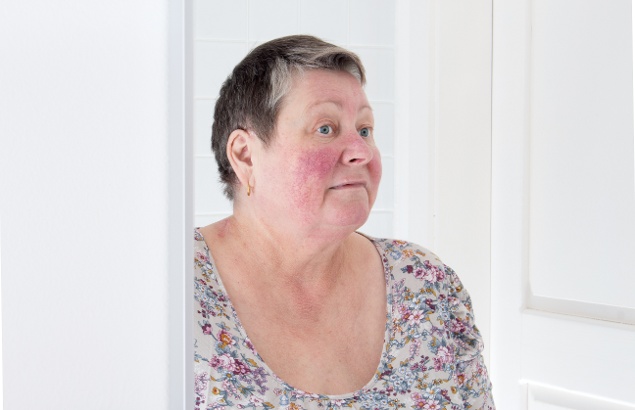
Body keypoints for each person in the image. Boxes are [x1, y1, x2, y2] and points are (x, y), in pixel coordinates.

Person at [194, 35, 495, 409]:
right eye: (326, 128)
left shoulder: (427, 285)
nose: (361, 151)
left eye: (365, 130)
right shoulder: (175, 291)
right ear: (246, 156)